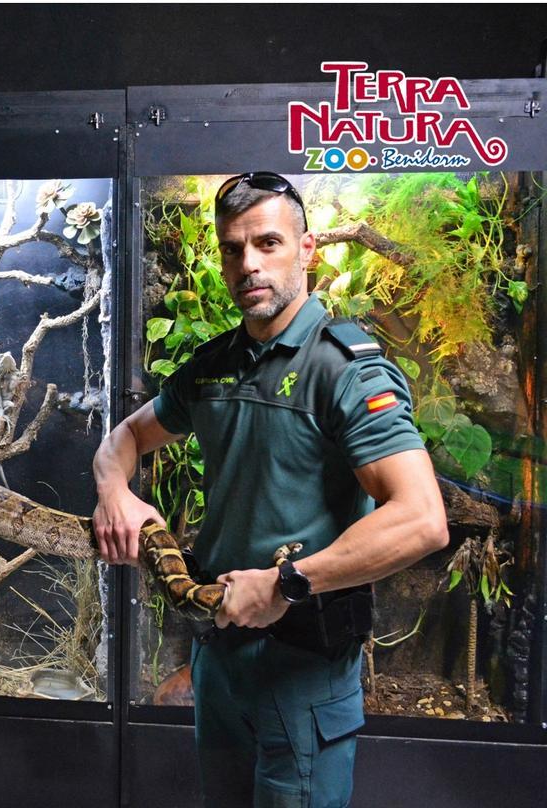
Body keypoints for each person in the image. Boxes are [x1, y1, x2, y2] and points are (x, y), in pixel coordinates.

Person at [92, 172, 448, 807]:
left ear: (307, 249)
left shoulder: (344, 368)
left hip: (303, 672)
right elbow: (122, 440)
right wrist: (115, 492)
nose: (248, 264)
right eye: (232, 249)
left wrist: (285, 584)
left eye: (268, 243)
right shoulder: (213, 365)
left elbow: (422, 518)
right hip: (219, 665)